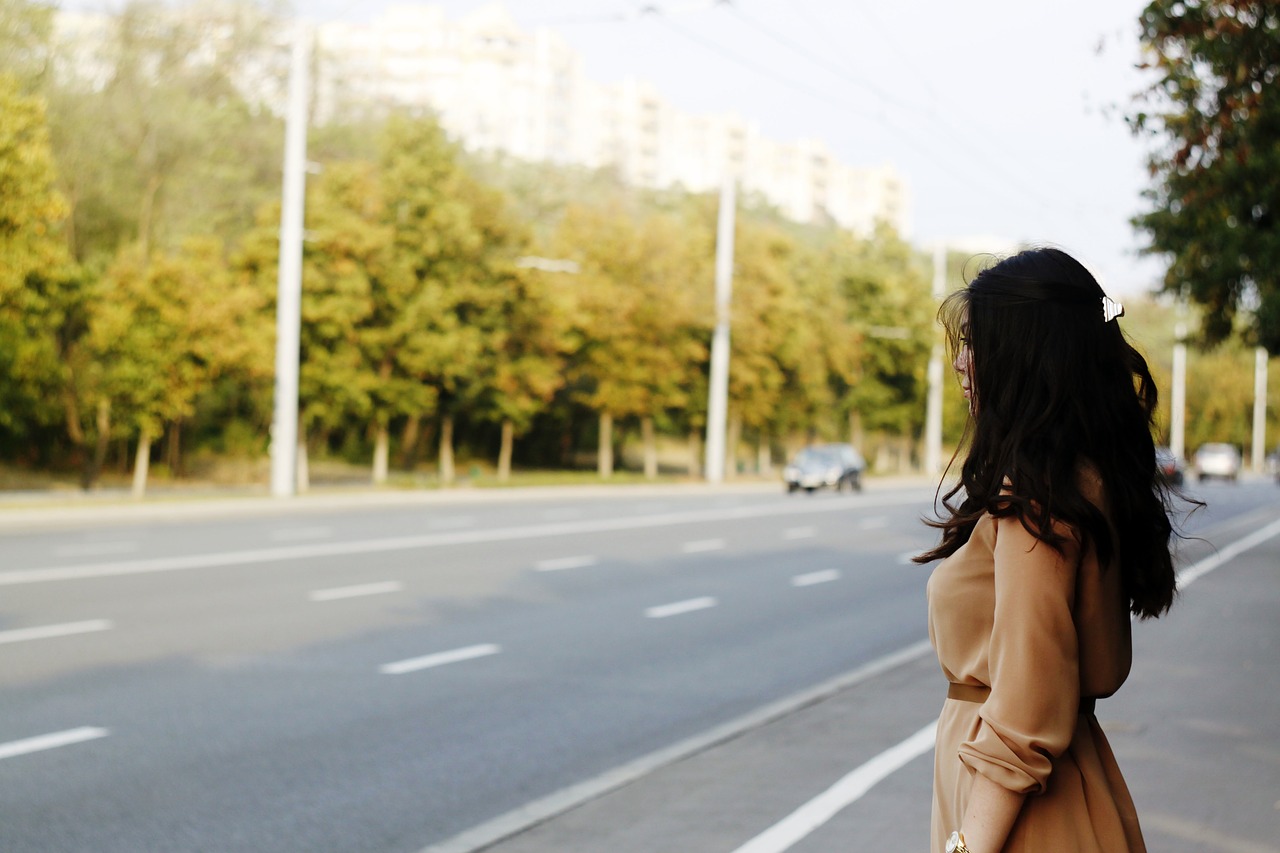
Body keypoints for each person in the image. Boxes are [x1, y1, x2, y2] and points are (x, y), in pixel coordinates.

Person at [915, 247, 1186, 853]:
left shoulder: (1036, 497)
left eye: (978, 344)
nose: (962, 362)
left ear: (1025, 356)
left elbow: (1026, 708)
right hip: (1056, 793)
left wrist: (967, 848)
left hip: (1025, 818)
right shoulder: (1080, 480)